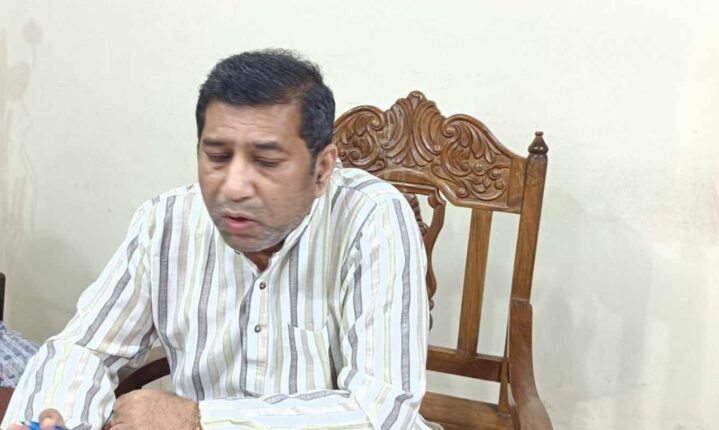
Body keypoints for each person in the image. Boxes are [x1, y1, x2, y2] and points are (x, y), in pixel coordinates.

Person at [1, 49, 434, 430]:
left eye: (266, 161)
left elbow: (382, 411)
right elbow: (86, 348)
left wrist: (197, 420)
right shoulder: (166, 221)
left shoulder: (371, 217)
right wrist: (56, 415)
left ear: (321, 170)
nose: (234, 186)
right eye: (218, 156)